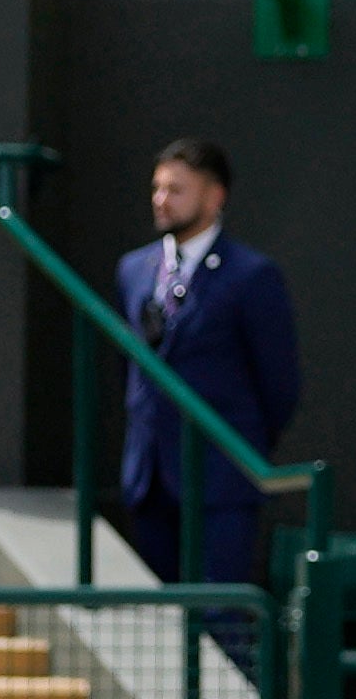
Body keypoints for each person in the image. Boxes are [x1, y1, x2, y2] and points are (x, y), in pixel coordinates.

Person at [113, 138, 300, 584]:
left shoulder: (251, 276)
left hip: (220, 480)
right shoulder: (133, 269)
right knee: (159, 621)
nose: (161, 200)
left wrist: (239, 446)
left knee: (219, 616)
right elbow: (128, 368)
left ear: (214, 197)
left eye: (176, 190)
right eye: (157, 188)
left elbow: (280, 384)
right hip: (151, 476)